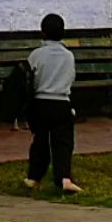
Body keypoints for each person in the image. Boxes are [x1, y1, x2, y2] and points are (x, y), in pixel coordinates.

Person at [22, 13, 82, 195]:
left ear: (42, 32)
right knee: (63, 142)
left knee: (40, 140)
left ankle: (34, 177)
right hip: (61, 102)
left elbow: (30, 78)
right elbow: (71, 79)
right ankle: (64, 177)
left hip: (40, 102)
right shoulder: (68, 56)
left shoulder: (36, 55)